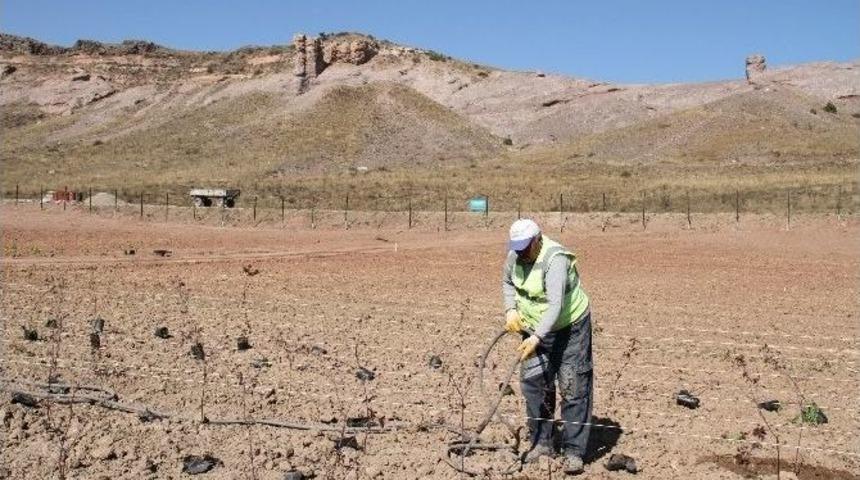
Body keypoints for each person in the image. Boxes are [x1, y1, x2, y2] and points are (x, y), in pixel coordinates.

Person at [501, 218, 593, 475]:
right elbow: (508, 283)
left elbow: (555, 306)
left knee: (573, 385)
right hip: (534, 330)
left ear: (537, 240)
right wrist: (510, 311)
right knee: (534, 385)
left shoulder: (555, 259)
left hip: (570, 328)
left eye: (525, 247)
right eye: (516, 247)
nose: (520, 252)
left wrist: (536, 337)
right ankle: (542, 443)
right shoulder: (514, 257)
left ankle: (574, 451)